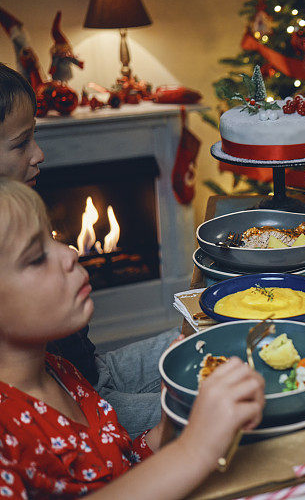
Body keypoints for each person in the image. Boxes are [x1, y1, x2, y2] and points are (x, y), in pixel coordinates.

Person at [0, 177, 266, 498]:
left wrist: (172, 419)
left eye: (52, 238)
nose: (69, 254)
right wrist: (195, 449)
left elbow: (121, 469)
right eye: (35, 257)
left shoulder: (59, 371)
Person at [0, 62, 175, 438]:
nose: (39, 154)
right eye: (20, 143)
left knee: (197, 337)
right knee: (203, 395)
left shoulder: (24, 206)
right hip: (82, 406)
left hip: (85, 375)